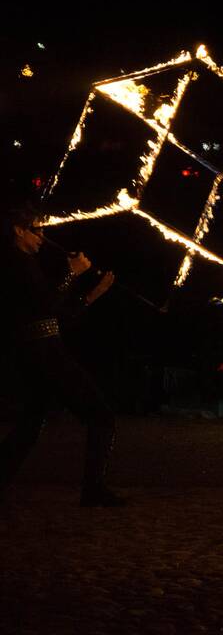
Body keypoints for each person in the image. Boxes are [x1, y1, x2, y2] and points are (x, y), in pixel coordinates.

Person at [0, 204, 123, 506]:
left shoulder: (25, 262)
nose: (42, 236)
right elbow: (48, 306)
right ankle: (93, 490)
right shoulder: (16, 262)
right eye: (37, 229)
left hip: (37, 353)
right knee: (101, 415)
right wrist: (71, 273)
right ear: (18, 230)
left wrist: (94, 293)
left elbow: (59, 316)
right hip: (44, 354)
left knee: (30, 425)